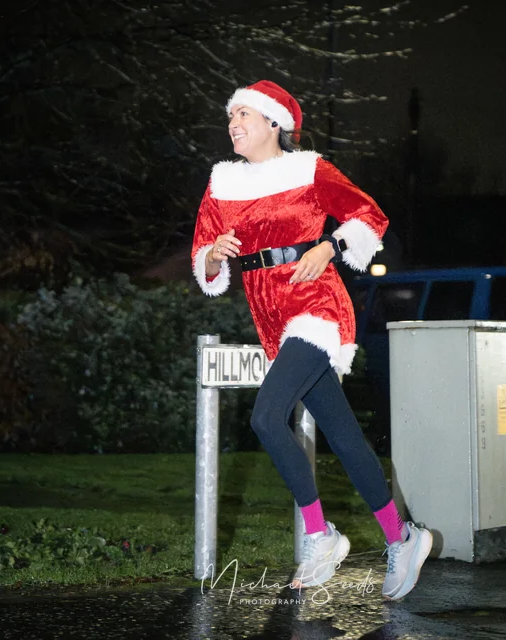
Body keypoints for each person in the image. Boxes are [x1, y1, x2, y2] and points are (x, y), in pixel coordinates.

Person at [191, 80, 432, 601]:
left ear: (275, 124)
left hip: (316, 303)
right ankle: (402, 537)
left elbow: (370, 215)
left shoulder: (309, 170)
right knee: (343, 434)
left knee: (264, 415)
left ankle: (321, 536)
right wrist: (213, 254)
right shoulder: (221, 184)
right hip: (271, 316)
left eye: (246, 116)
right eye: (231, 116)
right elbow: (203, 255)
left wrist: (330, 245)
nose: (234, 124)